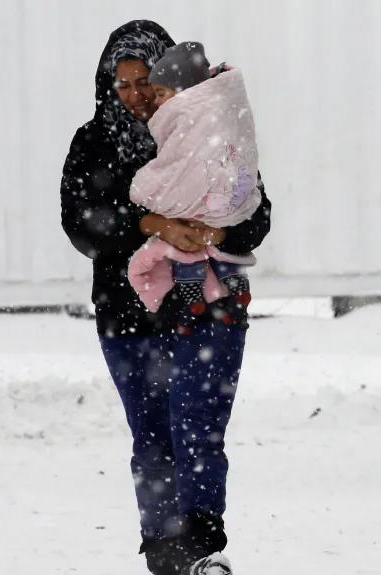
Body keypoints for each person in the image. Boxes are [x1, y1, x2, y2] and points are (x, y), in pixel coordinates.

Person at [60, 20, 272, 575]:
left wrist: (216, 234)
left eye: (142, 82)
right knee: (152, 438)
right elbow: (81, 223)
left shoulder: (208, 129)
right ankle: (165, 555)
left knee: (199, 431)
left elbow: (256, 211)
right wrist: (152, 224)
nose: (133, 96)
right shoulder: (93, 141)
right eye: (121, 84)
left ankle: (202, 548)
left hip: (204, 306)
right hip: (127, 315)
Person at [128, 41, 261, 319]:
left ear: (185, 96)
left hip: (218, 320)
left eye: (160, 93)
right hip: (143, 321)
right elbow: (94, 222)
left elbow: (259, 217)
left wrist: (220, 233)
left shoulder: (216, 141)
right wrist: (160, 225)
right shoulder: (220, 136)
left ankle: (206, 295)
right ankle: (224, 287)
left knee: (189, 266)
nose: (154, 102)